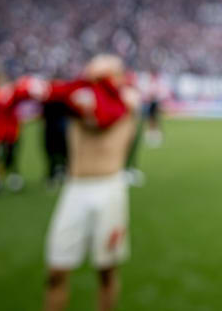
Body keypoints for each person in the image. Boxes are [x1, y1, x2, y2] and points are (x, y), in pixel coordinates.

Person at [42, 54, 141, 311]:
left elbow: (111, 112)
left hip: (110, 187)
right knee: (55, 270)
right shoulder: (76, 99)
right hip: (75, 187)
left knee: (107, 271)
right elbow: (55, 97)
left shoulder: (126, 101)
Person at [0, 73, 44, 196]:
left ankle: (3, 180)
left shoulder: (12, 94)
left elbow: (25, 93)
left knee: (9, 158)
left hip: (10, 134)